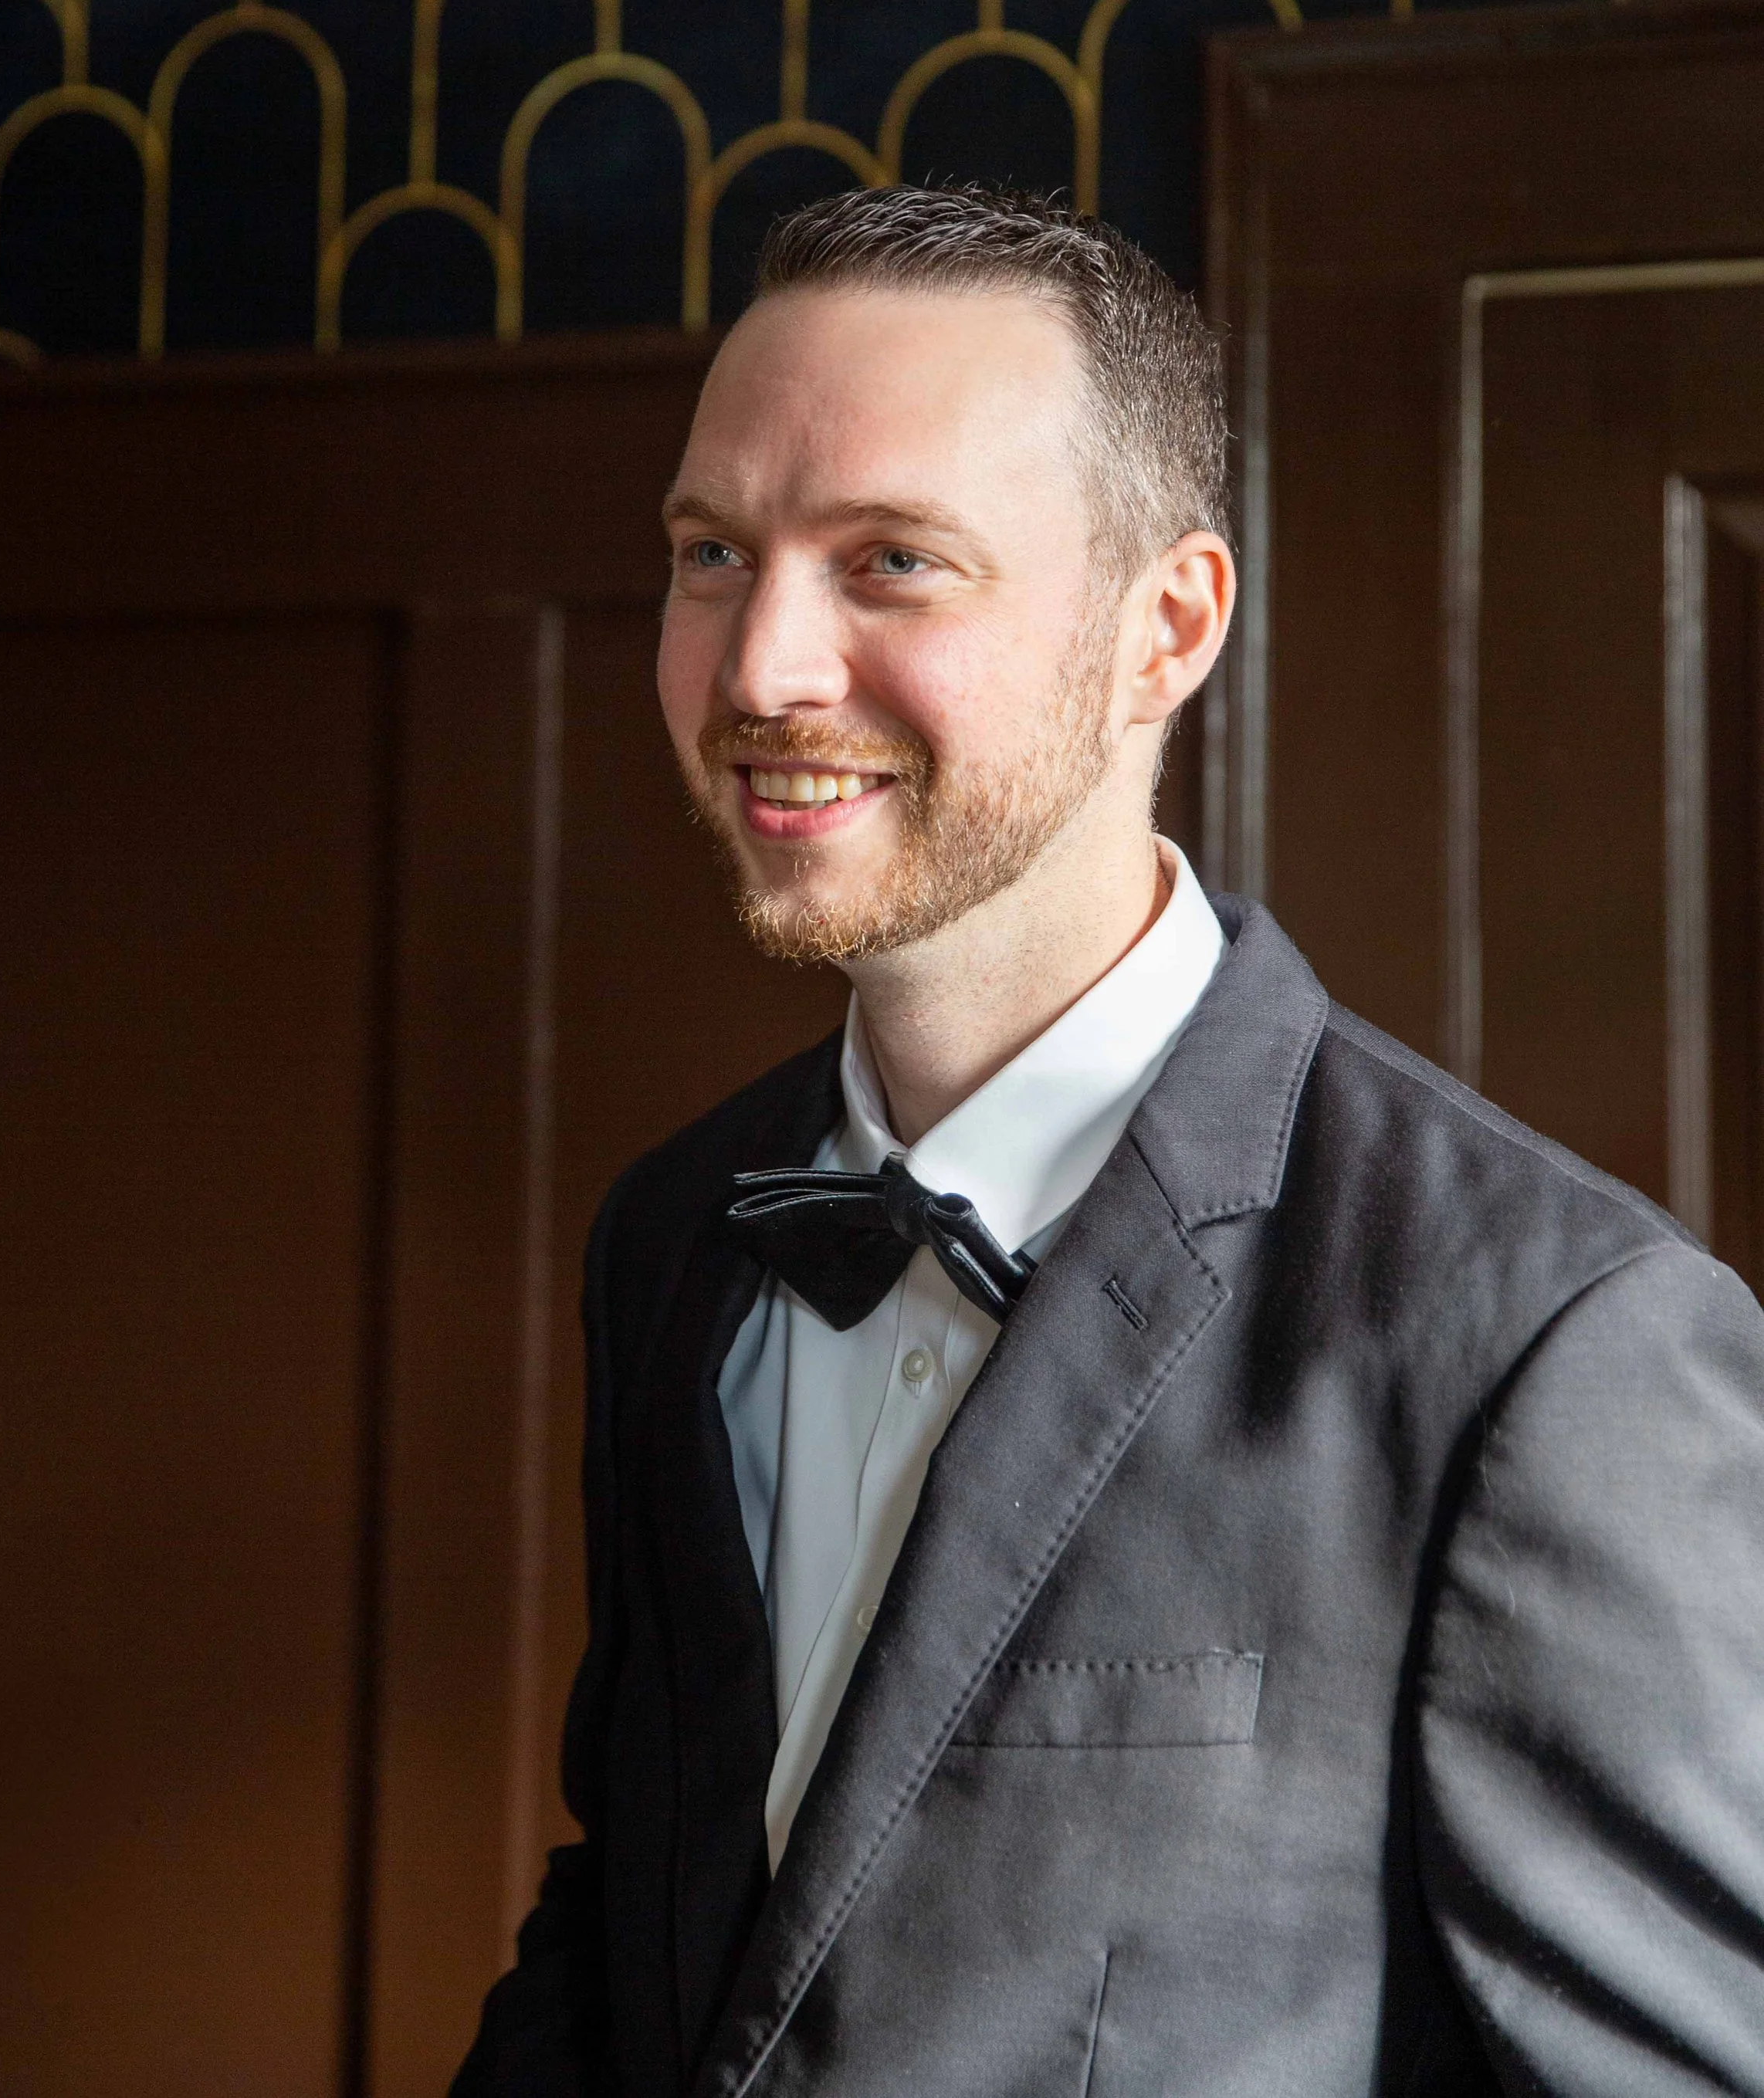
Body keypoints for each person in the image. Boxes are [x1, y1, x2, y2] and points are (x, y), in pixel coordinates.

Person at [455, 184, 1764, 2097]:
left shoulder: (1555, 1342)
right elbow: (631, 1929)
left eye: (890, 560)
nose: (758, 673)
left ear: (1165, 626)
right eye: (712, 551)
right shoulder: (671, 1238)